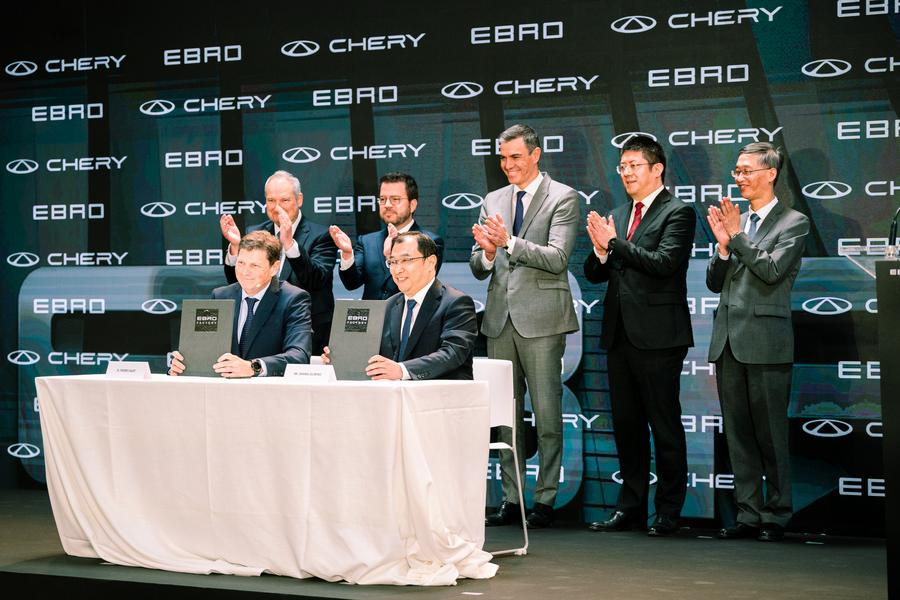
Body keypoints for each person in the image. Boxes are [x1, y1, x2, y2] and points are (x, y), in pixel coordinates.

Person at [583, 134, 695, 537]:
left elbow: (664, 263)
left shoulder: (678, 212)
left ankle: (668, 511)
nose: (626, 173)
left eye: (634, 165)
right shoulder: (618, 213)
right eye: (622, 166)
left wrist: (614, 243)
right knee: (627, 427)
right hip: (620, 335)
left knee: (664, 426)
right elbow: (594, 273)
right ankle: (629, 508)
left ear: (657, 169)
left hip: (659, 336)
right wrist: (601, 252)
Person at [471, 124, 579, 529]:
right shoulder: (493, 199)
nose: (508, 165)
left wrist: (509, 242)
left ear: (535, 154)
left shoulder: (563, 197)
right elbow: (479, 265)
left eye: (515, 156)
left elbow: (557, 258)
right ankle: (511, 499)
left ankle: (546, 499)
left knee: (547, 413)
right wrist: (486, 253)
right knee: (505, 415)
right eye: (503, 158)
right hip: (500, 319)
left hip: (543, 320)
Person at [706, 142, 809, 542]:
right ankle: (747, 513)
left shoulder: (793, 222)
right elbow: (715, 282)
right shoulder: (738, 223)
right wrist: (722, 248)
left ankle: (777, 514)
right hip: (728, 341)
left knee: (770, 434)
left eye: (747, 171)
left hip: (766, 341)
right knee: (738, 435)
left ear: (771, 174)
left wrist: (736, 236)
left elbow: (771, 270)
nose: (740, 178)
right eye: (737, 171)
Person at [323, 231, 476, 380]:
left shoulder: (456, 303)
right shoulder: (389, 305)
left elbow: (452, 353)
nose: (397, 269)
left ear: (430, 262)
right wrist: (343, 358)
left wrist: (402, 370)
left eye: (406, 260)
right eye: (393, 262)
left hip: (441, 394)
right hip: (394, 394)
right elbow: (375, 354)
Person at [220, 170, 335, 355]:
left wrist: (289, 245)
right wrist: (236, 247)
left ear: (299, 199)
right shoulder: (254, 232)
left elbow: (316, 280)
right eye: (271, 200)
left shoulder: (321, 235)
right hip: (260, 333)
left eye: (285, 200)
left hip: (306, 333)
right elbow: (239, 283)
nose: (277, 207)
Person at [170, 230, 312, 377]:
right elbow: (205, 349)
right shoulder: (220, 296)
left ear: (274, 268)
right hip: (224, 388)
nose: (245, 272)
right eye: (241, 263)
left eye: (254, 265)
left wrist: (253, 367)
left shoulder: (293, 299)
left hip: (269, 389)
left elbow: (299, 356)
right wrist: (184, 364)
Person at [329, 172, 444, 300]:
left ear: (412, 205)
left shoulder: (430, 241)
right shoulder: (367, 242)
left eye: (395, 199)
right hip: (372, 312)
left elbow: (421, 285)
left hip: (409, 311)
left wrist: (391, 257)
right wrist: (347, 254)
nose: (387, 205)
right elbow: (351, 283)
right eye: (383, 199)